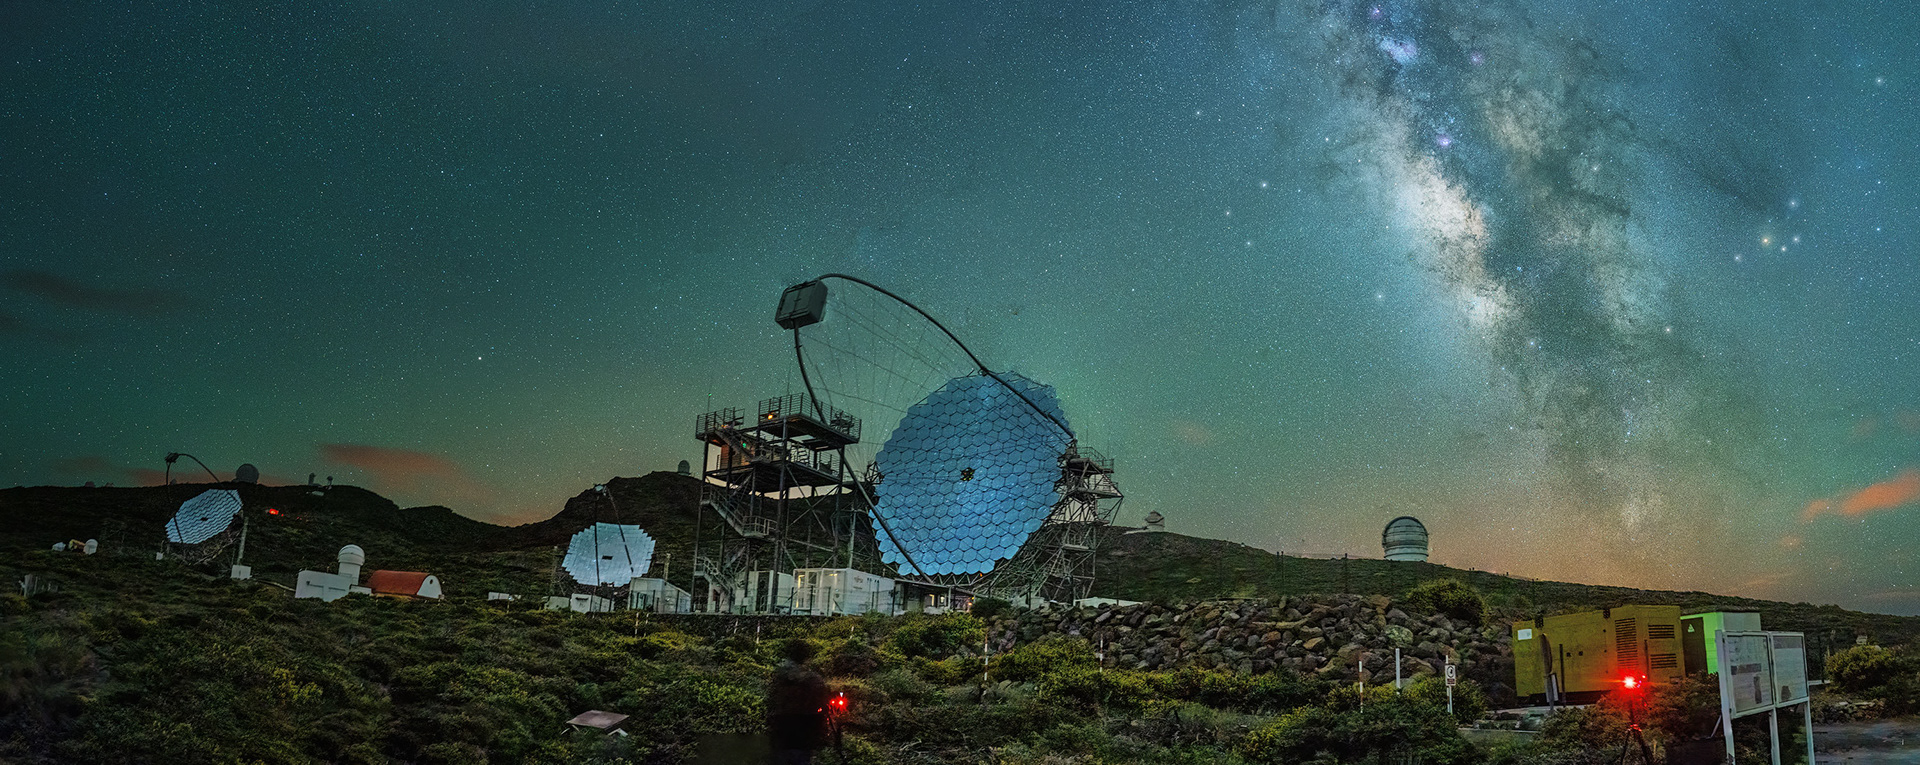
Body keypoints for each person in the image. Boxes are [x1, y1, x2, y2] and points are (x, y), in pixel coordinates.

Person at [765, 638, 830, 765]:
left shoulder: (779, 676)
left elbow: (771, 702)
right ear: (806, 658)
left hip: (781, 735)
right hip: (803, 737)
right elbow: (821, 706)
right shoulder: (813, 680)